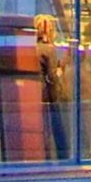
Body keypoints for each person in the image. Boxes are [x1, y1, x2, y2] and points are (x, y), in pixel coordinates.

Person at [33, 14, 70, 159]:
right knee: (56, 129)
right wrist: (61, 68)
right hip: (47, 96)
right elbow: (52, 77)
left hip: (33, 94)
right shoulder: (49, 50)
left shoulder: (31, 48)